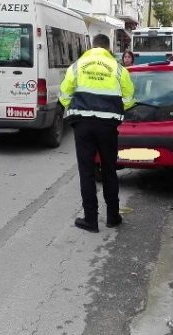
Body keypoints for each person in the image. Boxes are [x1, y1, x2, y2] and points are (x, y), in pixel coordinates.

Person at [60, 34, 135, 232]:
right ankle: (112, 216)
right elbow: (129, 99)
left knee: (86, 171)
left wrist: (77, 111)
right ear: (108, 48)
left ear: (92, 47)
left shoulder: (76, 66)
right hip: (108, 127)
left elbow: (64, 95)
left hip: (82, 125)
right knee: (109, 169)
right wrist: (113, 110)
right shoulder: (118, 69)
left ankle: (90, 220)